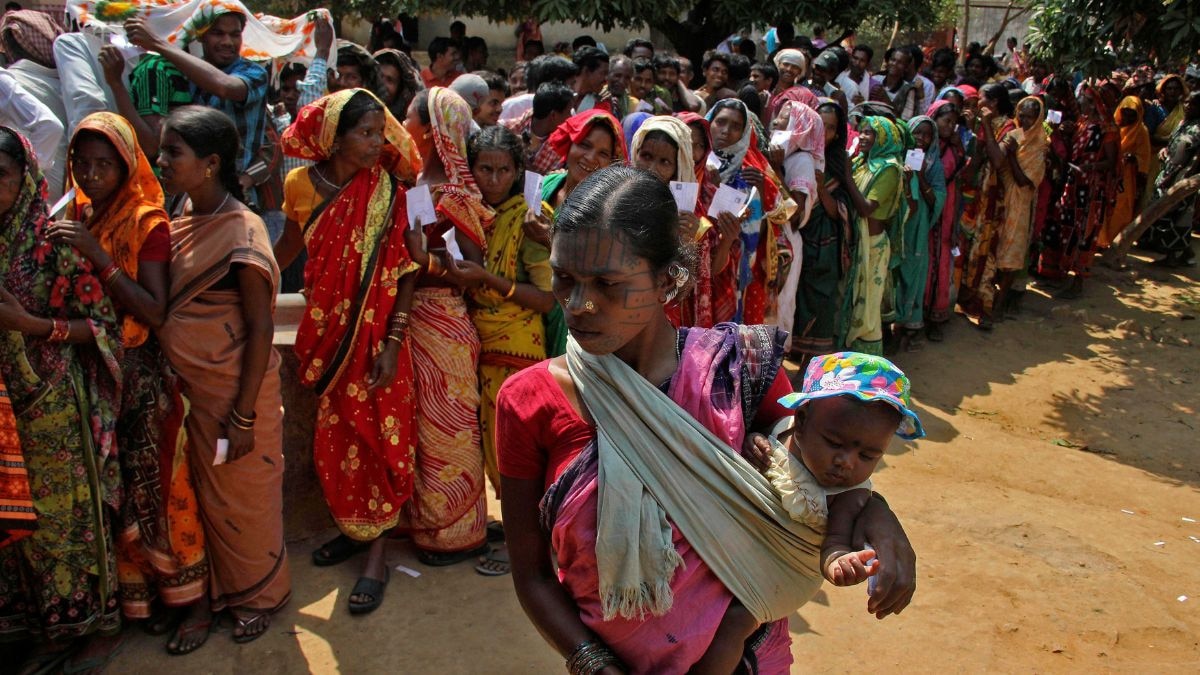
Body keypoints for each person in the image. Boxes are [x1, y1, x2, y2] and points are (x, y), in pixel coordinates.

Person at [498, 165, 917, 674]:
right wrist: (595, 666)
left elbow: (822, 472)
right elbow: (533, 576)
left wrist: (879, 516)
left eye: (607, 284)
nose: (579, 305)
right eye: (564, 278)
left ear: (667, 279)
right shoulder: (528, 402)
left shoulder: (739, 371)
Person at [49, 112, 211, 653]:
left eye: (104, 165)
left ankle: (195, 601)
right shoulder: (77, 214)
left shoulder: (146, 221)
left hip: (140, 374)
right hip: (95, 372)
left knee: (162, 490)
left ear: (126, 166)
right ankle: (153, 598)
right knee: (117, 496)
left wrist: (97, 257)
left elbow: (154, 310)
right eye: (82, 163)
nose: (91, 175)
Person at [273, 89, 422, 613]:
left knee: (378, 440)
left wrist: (393, 343)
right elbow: (289, 248)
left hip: (379, 340)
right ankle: (353, 530)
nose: (377, 142)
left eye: (380, 132)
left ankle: (377, 554)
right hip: (327, 337)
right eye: (365, 133)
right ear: (333, 139)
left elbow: (406, 272)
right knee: (335, 440)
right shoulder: (298, 185)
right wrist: (250, 279)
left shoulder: (389, 189)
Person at [696, 351, 926, 674]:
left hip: (786, 575)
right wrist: (753, 443)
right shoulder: (781, 430)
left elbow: (834, 545)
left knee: (733, 624)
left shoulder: (849, 494)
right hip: (745, 549)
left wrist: (841, 564)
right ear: (802, 421)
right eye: (834, 443)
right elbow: (755, 444)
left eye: (868, 456)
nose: (847, 462)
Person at [155, 106, 291, 644]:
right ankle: (205, 595)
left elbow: (261, 328)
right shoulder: (180, 212)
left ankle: (258, 594)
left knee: (243, 501)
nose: (162, 161)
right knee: (197, 500)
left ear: (210, 163)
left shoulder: (243, 231)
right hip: (189, 391)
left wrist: (243, 415)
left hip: (235, 394)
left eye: (173, 152)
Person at [0, 126, 123, 669]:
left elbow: (102, 327)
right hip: (5, 408)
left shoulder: (54, 243)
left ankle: (87, 624)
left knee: (64, 521)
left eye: (1, 176)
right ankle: (36, 627)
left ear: (25, 178)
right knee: (15, 522)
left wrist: (32, 326)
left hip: (51, 405)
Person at [444, 126, 557, 575]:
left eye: (503, 170)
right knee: (495, 446)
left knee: (515, 450)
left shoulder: (530, 218)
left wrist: (487, 280)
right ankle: (518, 529)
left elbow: (546, 298)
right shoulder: (473, 214)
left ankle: (523, 546)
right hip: (484, 341)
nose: (493, 179)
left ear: (517, 171)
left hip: (519, 346)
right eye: (484, 169)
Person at [398, 87, 491, 566]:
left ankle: (457, 532)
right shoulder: (415, 184)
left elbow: (471, 269)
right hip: (415, 317)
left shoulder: (454, 194)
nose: (403, 126)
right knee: (425, 426)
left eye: (409, 119)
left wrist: (424, 261)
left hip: (444, 319)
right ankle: (428, 523)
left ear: (430, 131)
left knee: (450, 427)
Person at [125, 10, 274, 209]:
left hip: (235, 197)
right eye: (218, 33)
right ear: (201, 36)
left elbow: (225, 87)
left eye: (235, 34)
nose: (227, 42)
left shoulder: (254, 73)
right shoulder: (185, 75)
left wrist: (158, 43)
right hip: (191, 197)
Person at [526, 108, 626, 356]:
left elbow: (598, 269)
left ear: (612, 163)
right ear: (569, 144)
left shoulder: (605, 209)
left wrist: (551, 241)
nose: (590, 158)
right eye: (584, 145)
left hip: (571, 306)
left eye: (603, 153)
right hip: (527, 300)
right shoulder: (547, 184)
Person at [707, 98, 792, 325]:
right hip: (698, 262)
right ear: (709, 122)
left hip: (734, 267)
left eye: (736, 126)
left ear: (745, 133)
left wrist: (761, 193)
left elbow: (774, 223)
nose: (726, 131)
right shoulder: (691, 160)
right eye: (720, 122)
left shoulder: (751, 171)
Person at [1037, 84, 1117, 298]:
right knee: (1068, 227)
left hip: (1091, 189)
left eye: (1082, 98)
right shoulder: (1082, 123)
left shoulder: (1106, 129)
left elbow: (1111, 161)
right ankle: (1061, 272)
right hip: (1073, 183)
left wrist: (1090, 167)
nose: (1078, 101)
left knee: (1085, 232)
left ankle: (1078, 281)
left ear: (1092, 103)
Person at [791, 98, 852, 365]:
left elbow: (841, 211)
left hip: (824, 245)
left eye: (830, 128)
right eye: (820, 125)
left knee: (821, 303)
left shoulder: (838, 162)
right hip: (800, 237)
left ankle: (811, 365)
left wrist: (820, 187)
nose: (823, 133)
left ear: (837, 133)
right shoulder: (797, 154)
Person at [840, 115, 904, 355]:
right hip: (856, 241)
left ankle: (867, 359)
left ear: (885, 138)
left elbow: (867, 208)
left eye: (870, 133)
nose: (864, 137)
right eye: (862, 132)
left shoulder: (889, 168)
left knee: (867, 306)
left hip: (873, 245)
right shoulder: (861, 162)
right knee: (853, 299)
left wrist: (847, 176)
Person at [766, 98, 826, 349]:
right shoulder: (782, 154)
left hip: (785, 243)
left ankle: (773, 362)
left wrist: (776, 170)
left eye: (783, 119)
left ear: (798, 127)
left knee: (777, 306)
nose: (776, 122)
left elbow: (795, 214)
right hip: (771, 238)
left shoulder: (801, 161)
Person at [890, 114, 946, 350]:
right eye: (917, 133)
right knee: (893, 272)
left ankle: (907, 325)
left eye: (927, 134)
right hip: (897, 223)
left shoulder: (934, 164)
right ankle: (890, 323)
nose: (921, 138)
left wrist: (920, 177)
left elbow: (938, 200)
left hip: (918, 227)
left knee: (912, 272)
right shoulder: (895, 157)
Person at [924, 100, 966, 342]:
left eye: (954, 123)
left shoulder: (954, 151)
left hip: (946, 212)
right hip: (923, 212)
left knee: (940, 263)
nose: (950, 126)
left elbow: (958, 185)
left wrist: (955, 222)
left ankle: (936, 318)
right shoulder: (922, 145)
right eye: (946, 121)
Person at [1144, 91, 1200, 267]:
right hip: (1168, 170)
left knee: (1176, 215)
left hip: (1182, 177)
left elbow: (1196, 158)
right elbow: (1172, 142)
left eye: (1193, 104)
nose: (1188, 106)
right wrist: (1164, 150)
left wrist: (1177, 177)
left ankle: (1172, 257)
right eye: (1187, 102)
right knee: (1162, 211)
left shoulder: (1198, 128)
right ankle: (1186, 253)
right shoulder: (1183, 122)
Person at [1102, 95, 1150, 247]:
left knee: (1121, 208)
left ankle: (1115, 242)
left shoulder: (1141, 131)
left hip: (1126, 177)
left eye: (1132, 114)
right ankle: (1101, 241)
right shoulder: (1111, 127)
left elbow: (1144, 157)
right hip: (1108, 174)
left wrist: (1134, 158)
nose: (1128, 117)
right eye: (1125, 112)